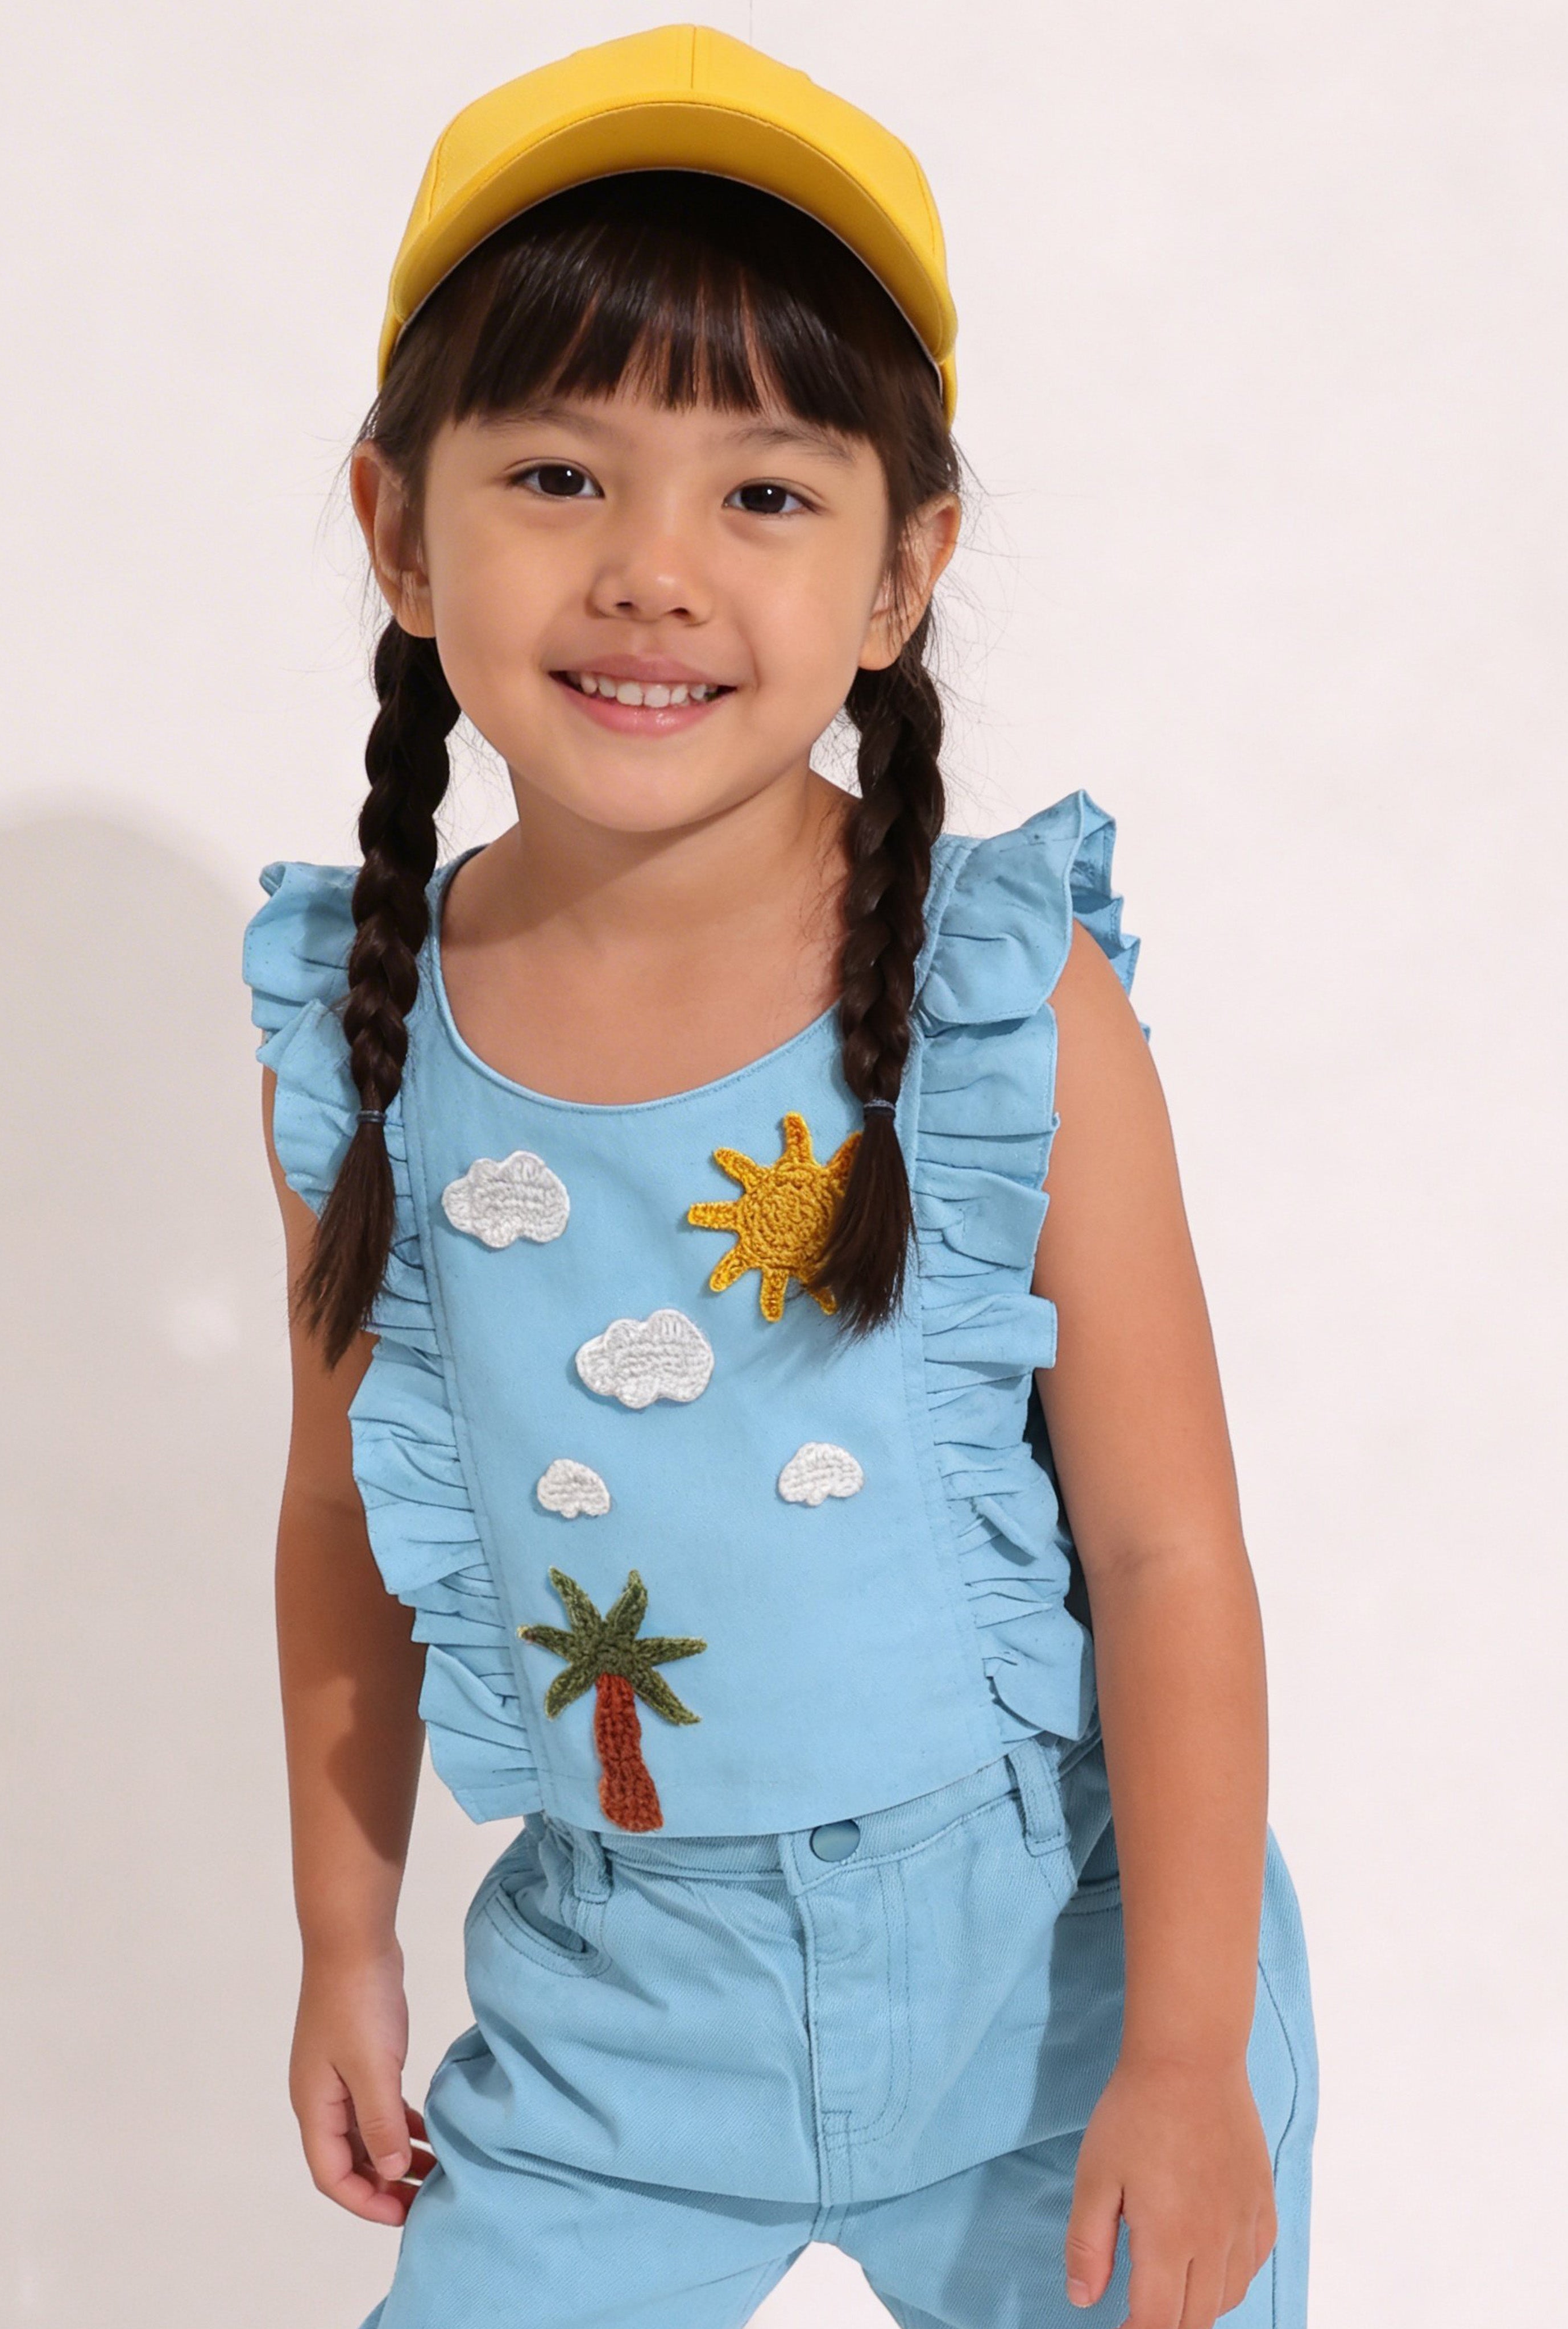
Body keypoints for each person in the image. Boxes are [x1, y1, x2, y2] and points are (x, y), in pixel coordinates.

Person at [240, 26, 1318, 2329]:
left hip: (1058, 1992)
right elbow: (345, 1512)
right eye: (558, 473)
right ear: (398, 530)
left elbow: (1166, 1550)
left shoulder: (1004, 996)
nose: (652, 572)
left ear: (904, 570)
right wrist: (345, 1938)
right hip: (617, 2022)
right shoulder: (356, 1037)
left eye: (763, 494)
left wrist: (1191, 2047)